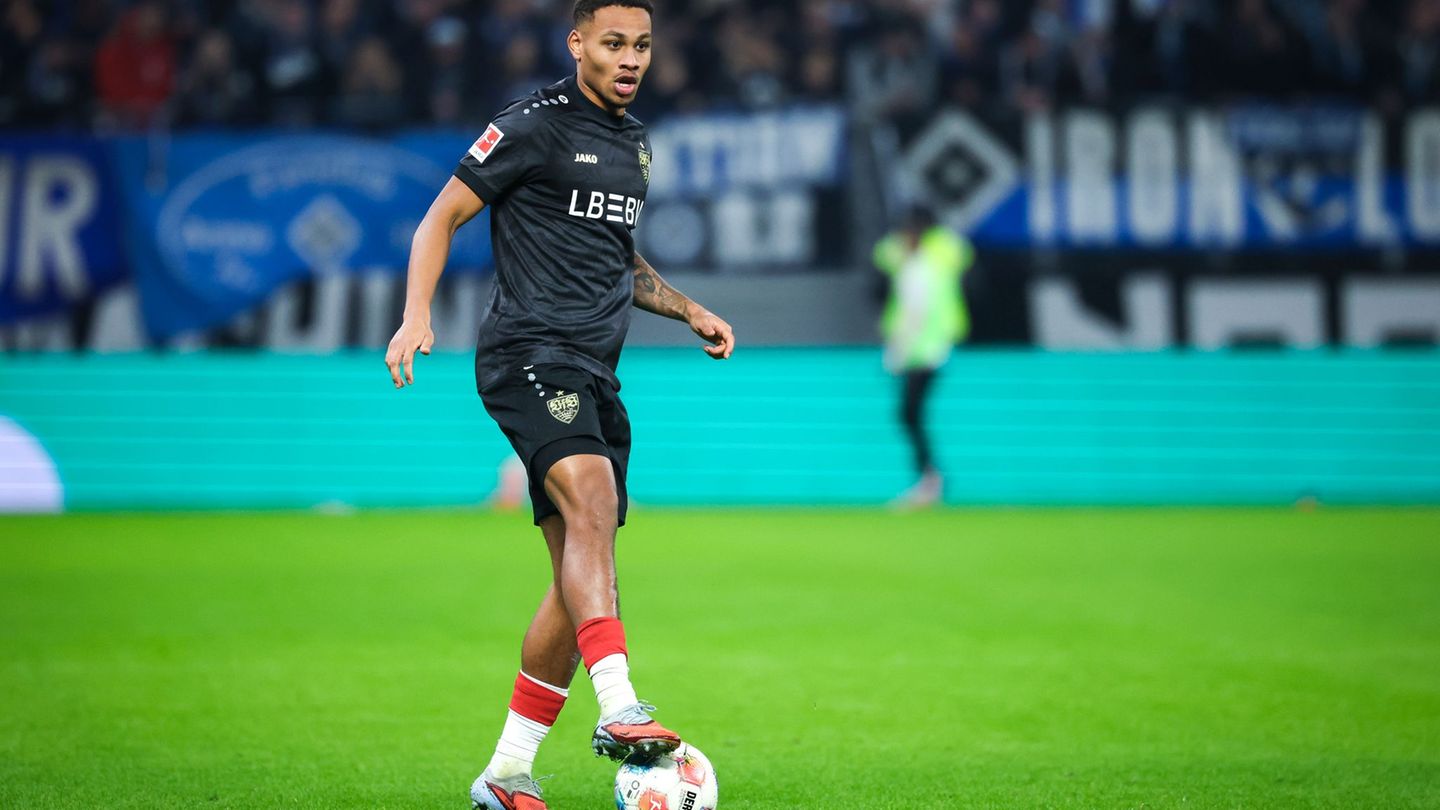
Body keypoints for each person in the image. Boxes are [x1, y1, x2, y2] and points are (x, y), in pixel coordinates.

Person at [382, 3, 736, 809]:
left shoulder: (634, 143)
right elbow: (441, 216)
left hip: (595, 370)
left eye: (642, 45)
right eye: (614, 43)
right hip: (527, 355)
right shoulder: (530, 125)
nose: (630, 58)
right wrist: (416, 313)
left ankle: (505, 775)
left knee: (578, 577)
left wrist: (687, 309)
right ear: (576, 43)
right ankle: (622, 709)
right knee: (596, 503)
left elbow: (619, 259)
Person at [873, 205, 972, 508]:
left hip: (925, 349)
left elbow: (915, 313)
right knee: (909, 413)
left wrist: (898, 350)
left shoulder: (921, 268)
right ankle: (929, 479)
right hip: (927, 348)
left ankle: (930, 480)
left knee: (909, 412)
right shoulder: (922, 264)